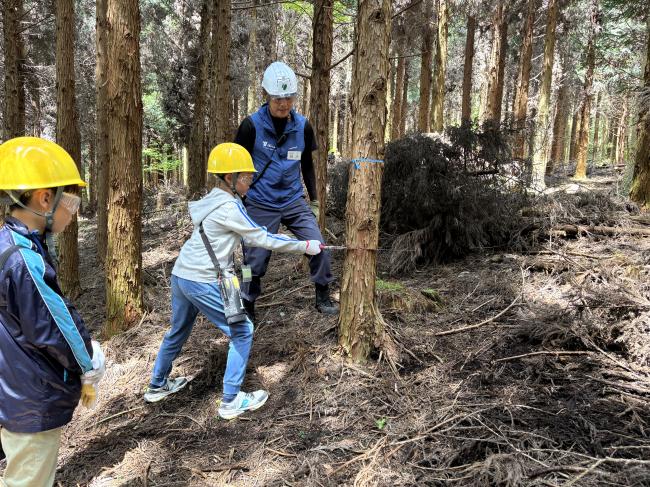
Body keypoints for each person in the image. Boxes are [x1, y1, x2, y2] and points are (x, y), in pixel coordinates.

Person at [144, 143, 323, 420]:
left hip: (181, 275)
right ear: (230, 178)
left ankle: (157, 385)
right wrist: (305, 246)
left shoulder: (215, 201)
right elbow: (262, 237)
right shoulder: (228, 207)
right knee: (242, 332)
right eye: (246, 177)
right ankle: (230, 400)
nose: (250, 182)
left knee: (178, 331)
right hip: (201, 280)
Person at [0, 137, 105, 487]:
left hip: (11, 388)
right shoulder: (24, 260)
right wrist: (87, 364)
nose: (73, 210)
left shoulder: (9, 245)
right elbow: (54, 326)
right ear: (45, 198)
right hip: (30, 399)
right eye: (71, 199)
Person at [234, 61, 339, 321]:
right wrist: (237, 197)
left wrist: (314, 200)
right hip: (260, 201)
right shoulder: (251, 126)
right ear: (267, 96)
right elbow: (236, 164)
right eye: (278, 98)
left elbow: (307, 165)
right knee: (252, 261)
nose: (284, 103)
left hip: (293, 200)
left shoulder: (303, 126)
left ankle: (322, 296)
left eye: (289, 97)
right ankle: (246, 303)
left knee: (318, 244)